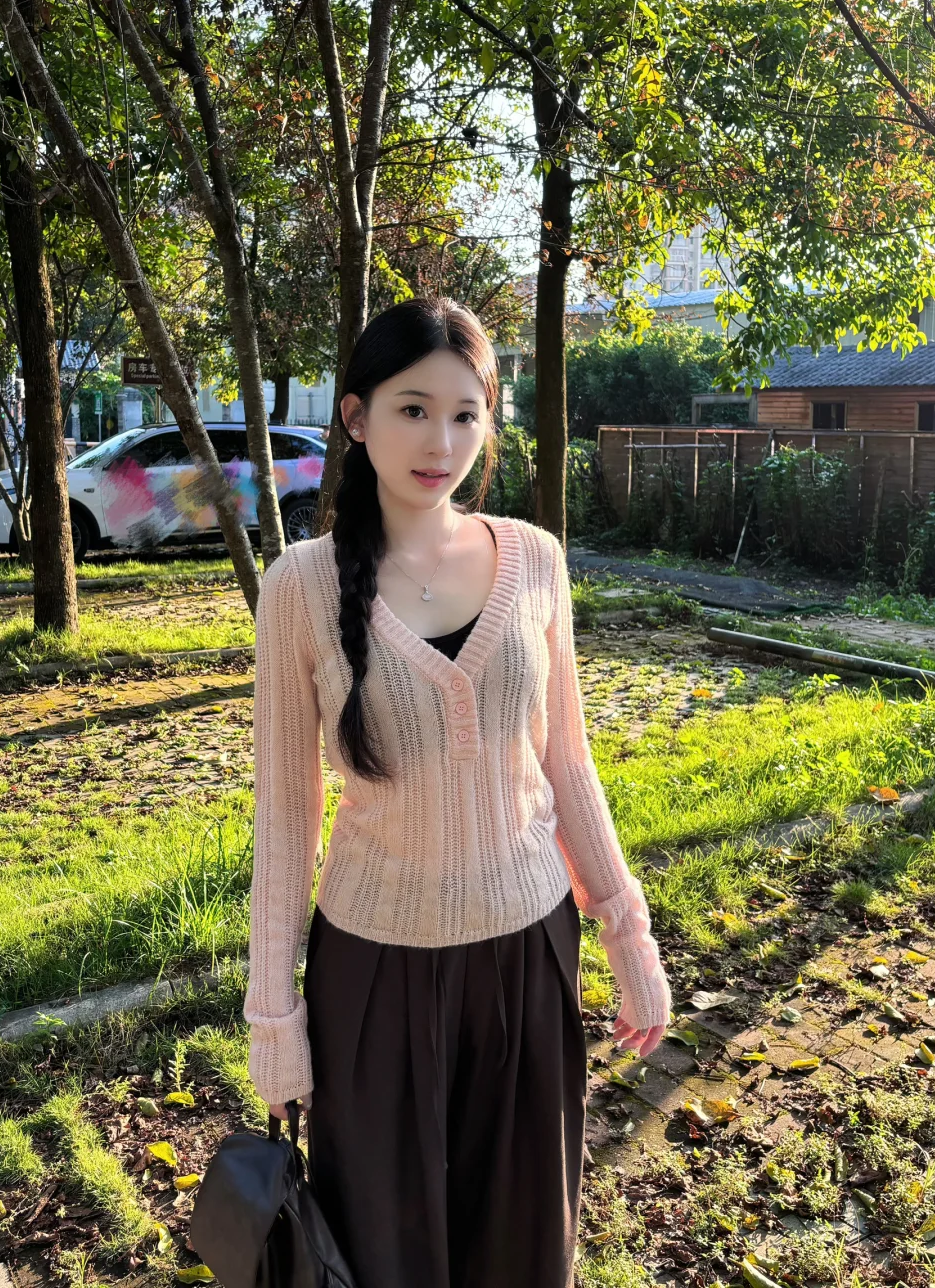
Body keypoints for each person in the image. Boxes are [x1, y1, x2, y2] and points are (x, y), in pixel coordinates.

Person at [244, 296, 671, 1288]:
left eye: (466, 414)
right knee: (384, 1251)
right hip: (372, 973)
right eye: (413, 410)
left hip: (527, 953)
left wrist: (629, 936)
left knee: (524, 1241)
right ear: (356, 417)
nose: (442, 443)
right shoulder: (301, 587)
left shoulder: (535, 560)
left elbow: (568, 765)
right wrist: (275, 1022)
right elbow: (285, 821)